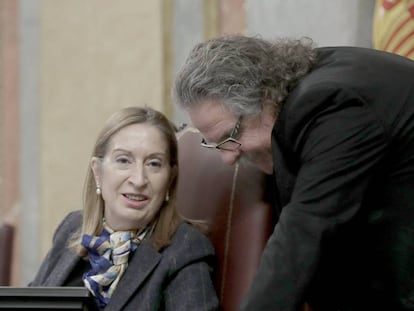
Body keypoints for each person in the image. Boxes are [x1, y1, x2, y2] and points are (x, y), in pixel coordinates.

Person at [172, 34, 414, 311]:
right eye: (216, 144)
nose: (228, 158)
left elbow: (304, 232)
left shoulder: (328, 104)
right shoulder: (296, 90)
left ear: (264, 97)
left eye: (231, 135)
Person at [30, 106, 219, 311]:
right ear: (97, 171)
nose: (139, 180)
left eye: (154, 164)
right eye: (123, 160)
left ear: (170, 178)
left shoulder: (185, 248)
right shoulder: (72, 227)